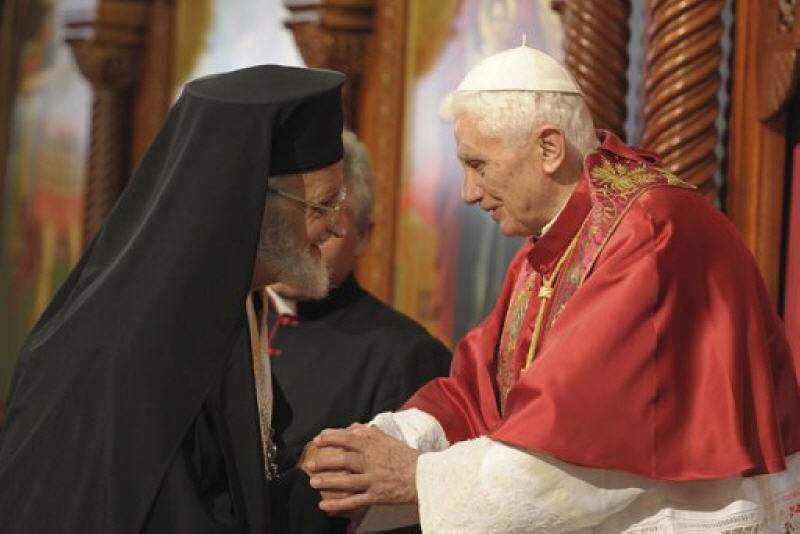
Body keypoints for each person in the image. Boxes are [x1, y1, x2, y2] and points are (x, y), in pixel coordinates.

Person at [304, 46, 800, 532]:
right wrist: (385, 441)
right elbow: (478, 395)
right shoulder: (549, 248)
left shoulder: (650, 232)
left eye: (478, 165)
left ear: (549, 148)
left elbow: (583, 440)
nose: (468, 193)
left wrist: (418, 478)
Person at [0, 64, 348, 533]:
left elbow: (237, 478)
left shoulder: (237, 304)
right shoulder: (141, 343)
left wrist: (312, 472)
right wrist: (305, 493)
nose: (336, 226)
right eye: (323, 205)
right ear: (251, 200)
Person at [264, 130, 451, 533]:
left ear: (364, 235)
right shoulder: (230, 327)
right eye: (288, 218)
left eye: (324, 220)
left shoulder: (408, 355)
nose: (299, 239)